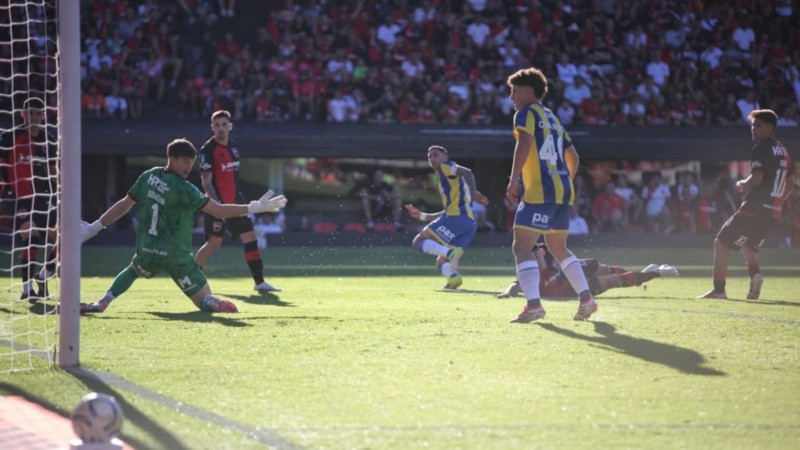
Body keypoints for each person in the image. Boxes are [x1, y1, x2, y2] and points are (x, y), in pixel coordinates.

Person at [78, 138, 287, 314]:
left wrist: (92, 228)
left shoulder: (148, 176)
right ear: (172, 159)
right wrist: (254, 207)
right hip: (178, 257)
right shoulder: (185, 189)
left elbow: (123, 206)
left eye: (192, 162)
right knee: (204, 300)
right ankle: (211, 302)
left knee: (133, 270)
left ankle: (103, 302)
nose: (189, 167)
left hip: (147, 251)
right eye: (185, 161)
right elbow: (219, 211)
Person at [504, 66, 597, 323]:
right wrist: (564, 180)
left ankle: (534, 305)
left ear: (527, 92)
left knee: (522, 246)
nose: (511, 97)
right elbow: (573, 156)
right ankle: (586, 299)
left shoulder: (526, 113)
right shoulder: (553, 117)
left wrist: (514, 179)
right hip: (562, 192)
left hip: (540, 192)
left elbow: (524, 142)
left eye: (514, 91)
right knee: (558, 247)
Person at [699, 109, 795, 300]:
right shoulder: (785, 151)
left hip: (754, 208)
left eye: (758, 125)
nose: (753, 129)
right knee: (748, 245)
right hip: (773, 213)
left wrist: (742, 183)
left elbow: (756, 178)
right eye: (752, 125)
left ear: (770, 128)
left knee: (721, 242)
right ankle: (755, 276)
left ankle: (719, 290)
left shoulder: (761, 148)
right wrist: (777, 201)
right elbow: (791, 182)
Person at [194, 110, 281, 292]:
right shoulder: (207, 150)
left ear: (230, 126)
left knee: (250, 237)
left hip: (236, 202)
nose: (221, 128)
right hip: (216, 205)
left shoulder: (233, 147)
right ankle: (192, 276)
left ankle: (259, 283)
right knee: (213, 244)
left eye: (224, 124)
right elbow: (206, 182)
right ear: (212, 127)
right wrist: (217, 206)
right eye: (217, 125)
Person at [405, 145, 489, 289]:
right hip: (469, 224)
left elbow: (467, 172)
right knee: (441, 261)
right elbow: (447, 211)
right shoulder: (447, 179)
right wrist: (422, 216)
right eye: (430, 156)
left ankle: (451, 253)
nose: (432, 158)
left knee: (418, 242)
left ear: (445, 157)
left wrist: (474, 192)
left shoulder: (447, 167)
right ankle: (454, 278)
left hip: (456, 219)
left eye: (436, 155)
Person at [0, 98, 58, 301]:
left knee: (67, 239)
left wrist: (62, 189)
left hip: (43, 197)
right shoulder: (9, 137)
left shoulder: (48, 139)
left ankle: (43, 276)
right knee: (31, 236)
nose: (33, 117)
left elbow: (52, 170)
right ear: (22, 114)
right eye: (30, 112)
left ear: (44, 115)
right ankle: (27, 291)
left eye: (38, 113)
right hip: (16, 196)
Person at [496, 243, 679, 299]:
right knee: (613, 280)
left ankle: (642, 276)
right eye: (532, 258)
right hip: (574, 289)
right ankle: (656, 273)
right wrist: (507, 293)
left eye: (536, 256)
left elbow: (567, 258)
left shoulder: (551, 255)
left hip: (577, 270)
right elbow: (515, 285)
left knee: (606, 269)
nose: (535, 261)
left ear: (542, 253)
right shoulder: (529, 274)